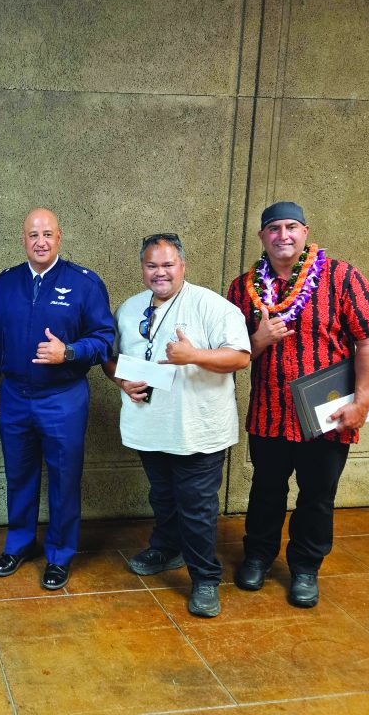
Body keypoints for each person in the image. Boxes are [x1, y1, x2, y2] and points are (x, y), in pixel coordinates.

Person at [227, 201, 369, 608]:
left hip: (329, 415)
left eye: (291, 227)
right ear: (262, 236)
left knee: (317, 495)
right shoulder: (241, 288)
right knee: (265, 490)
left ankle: (305, 567)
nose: (283, 235)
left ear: (305, 232)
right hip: (268, 415)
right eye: (274, 228)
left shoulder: (340, 277)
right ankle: (258, 557)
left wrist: (362, 402)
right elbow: (229, 353)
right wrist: (260, 338)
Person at [103, 233, 249, 617]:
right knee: (163, 497)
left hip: (197, 430)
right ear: (143, 269)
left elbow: (239, 356)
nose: (160, 272)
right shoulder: (129, 308)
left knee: (196, 508)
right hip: (149, 425)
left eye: (168, 265)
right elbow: (111, 358)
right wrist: (119, 379)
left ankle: (205, 579)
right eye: (152, 265)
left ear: (183, 266)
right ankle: (167, 548)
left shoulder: (213, 306)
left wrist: (193, 355)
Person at [0, 208, 114, 590]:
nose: (40, 241)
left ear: (59, 238)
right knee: (18, 475)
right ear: (23, 239)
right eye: (33, 234)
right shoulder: (6, 282)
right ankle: (19, 543)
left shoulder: (85, 283)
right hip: (15, 397)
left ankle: (59, 554)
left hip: (63, 398)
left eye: (48, 234)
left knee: (63, 479)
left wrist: (68, 352)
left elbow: (104, 339)